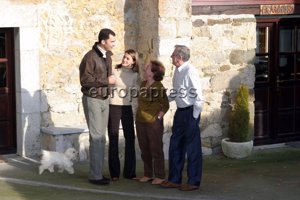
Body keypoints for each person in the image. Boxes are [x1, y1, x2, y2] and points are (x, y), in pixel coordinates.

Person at [160, 45, 204, 191]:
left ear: (179, 57)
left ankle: (193, 182)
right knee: (175, 145)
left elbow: (198, 96)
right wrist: (164, 99)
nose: (171, 57)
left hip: (190, 113)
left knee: (192, 148)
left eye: (173, 55)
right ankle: (174, 179)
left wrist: (194, 117)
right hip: (180, 112)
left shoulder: (190, 72)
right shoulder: (178, 72)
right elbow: (177, 92)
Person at [79, 28, 116, 185]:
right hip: (92, 99)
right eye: (112, 41)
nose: (114, 44)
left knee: (102, 138)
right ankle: (95, 176)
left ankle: (98, 173)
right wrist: (106, 81)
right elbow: (85, 81)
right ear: (103, 41)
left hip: (104, 99)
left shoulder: (107, 55)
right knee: (96, 138)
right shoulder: (89, 57)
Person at [136, 60, 169, 185]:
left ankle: (160, 175)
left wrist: (158, 118)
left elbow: (165, 105)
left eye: (147, 68)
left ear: (153, 72)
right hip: (140, 121)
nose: (145, 69)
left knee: (156, 149)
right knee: (144, 149)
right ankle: (148, 174)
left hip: (153, 123)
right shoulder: (143, 84)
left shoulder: (158, 86)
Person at [108, 49, 140, 181]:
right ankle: (114, 173)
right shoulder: (115, 70)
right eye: (124, 57)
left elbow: (135, 92)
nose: (124, 60)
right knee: (113, 138)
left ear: (133, 61)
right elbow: (108, 84)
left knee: (130, 139)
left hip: (127, 107)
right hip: (113, 106)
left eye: (128, 58)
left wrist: (134, 90)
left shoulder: (135, 75)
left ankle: (129, 172)